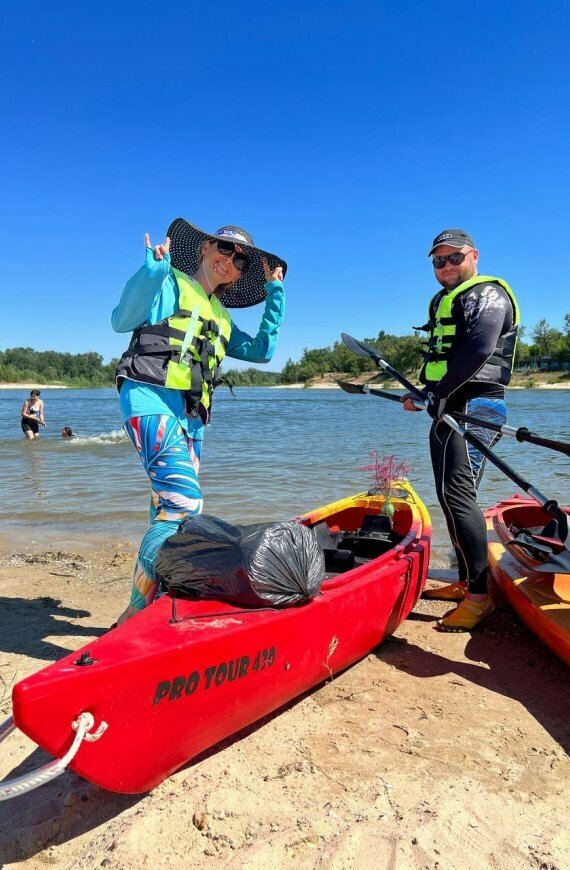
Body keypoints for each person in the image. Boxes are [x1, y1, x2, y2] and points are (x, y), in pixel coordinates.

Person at [112, 218, 286, 623]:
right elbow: (122, 319)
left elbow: (263, 351)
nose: (231, 261)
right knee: (183, 503)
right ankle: (134, 616)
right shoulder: (168, 281)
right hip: (149, 397)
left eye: (241, 260)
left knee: (169, 511)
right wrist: (152, 270)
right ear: (206, 248)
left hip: (191, 420)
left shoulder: (222, 317)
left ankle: (152, 599)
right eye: (225, 249)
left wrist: (275, 292)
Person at [402, 228, 520, 632]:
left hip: (476, 405)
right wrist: (424, 393)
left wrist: (439, 393)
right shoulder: (442, 300)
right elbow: (445, 358)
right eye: (439, 260)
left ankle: (479, 597)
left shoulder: (488, 294)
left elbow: (479, 349)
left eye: (455, 257)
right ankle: (467, 580)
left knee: (457, 494)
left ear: (474, 256)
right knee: (449, 495)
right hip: (449, 403)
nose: (447, 266)